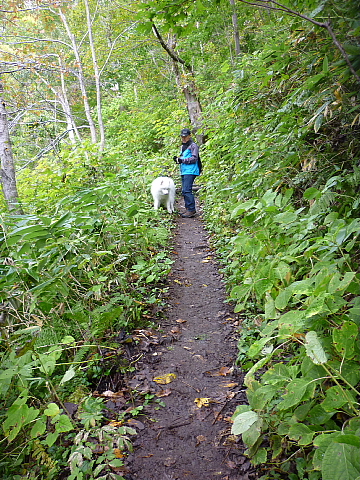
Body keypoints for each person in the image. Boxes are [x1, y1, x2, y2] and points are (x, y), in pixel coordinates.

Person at [174, 128, 200, 218]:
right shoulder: (183, 146)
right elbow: (184, 158)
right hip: (184, 171)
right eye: (182, 136)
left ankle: (191, 210)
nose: (184, 138)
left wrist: (182, 160)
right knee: (184, 190)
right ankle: (188, 209)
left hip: (191, 170)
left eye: (185, 136)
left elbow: (194, 158)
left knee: (186, 190)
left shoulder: (193, 146)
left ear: (190, 136)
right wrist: (178, 160)